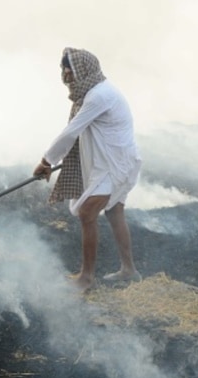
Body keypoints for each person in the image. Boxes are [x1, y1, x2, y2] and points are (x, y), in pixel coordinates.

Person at [33, 47, 142, 291]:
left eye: (68, 68)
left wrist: (46, 161)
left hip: (115, 165)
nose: (65, 73)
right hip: (114, 161)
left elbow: (72, 131)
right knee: (114, 212)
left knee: (87, 213)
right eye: (63, 68)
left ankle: (87, 278)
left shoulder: (99, 96)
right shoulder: (94, 92)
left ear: (82, 69)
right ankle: (129, 270)